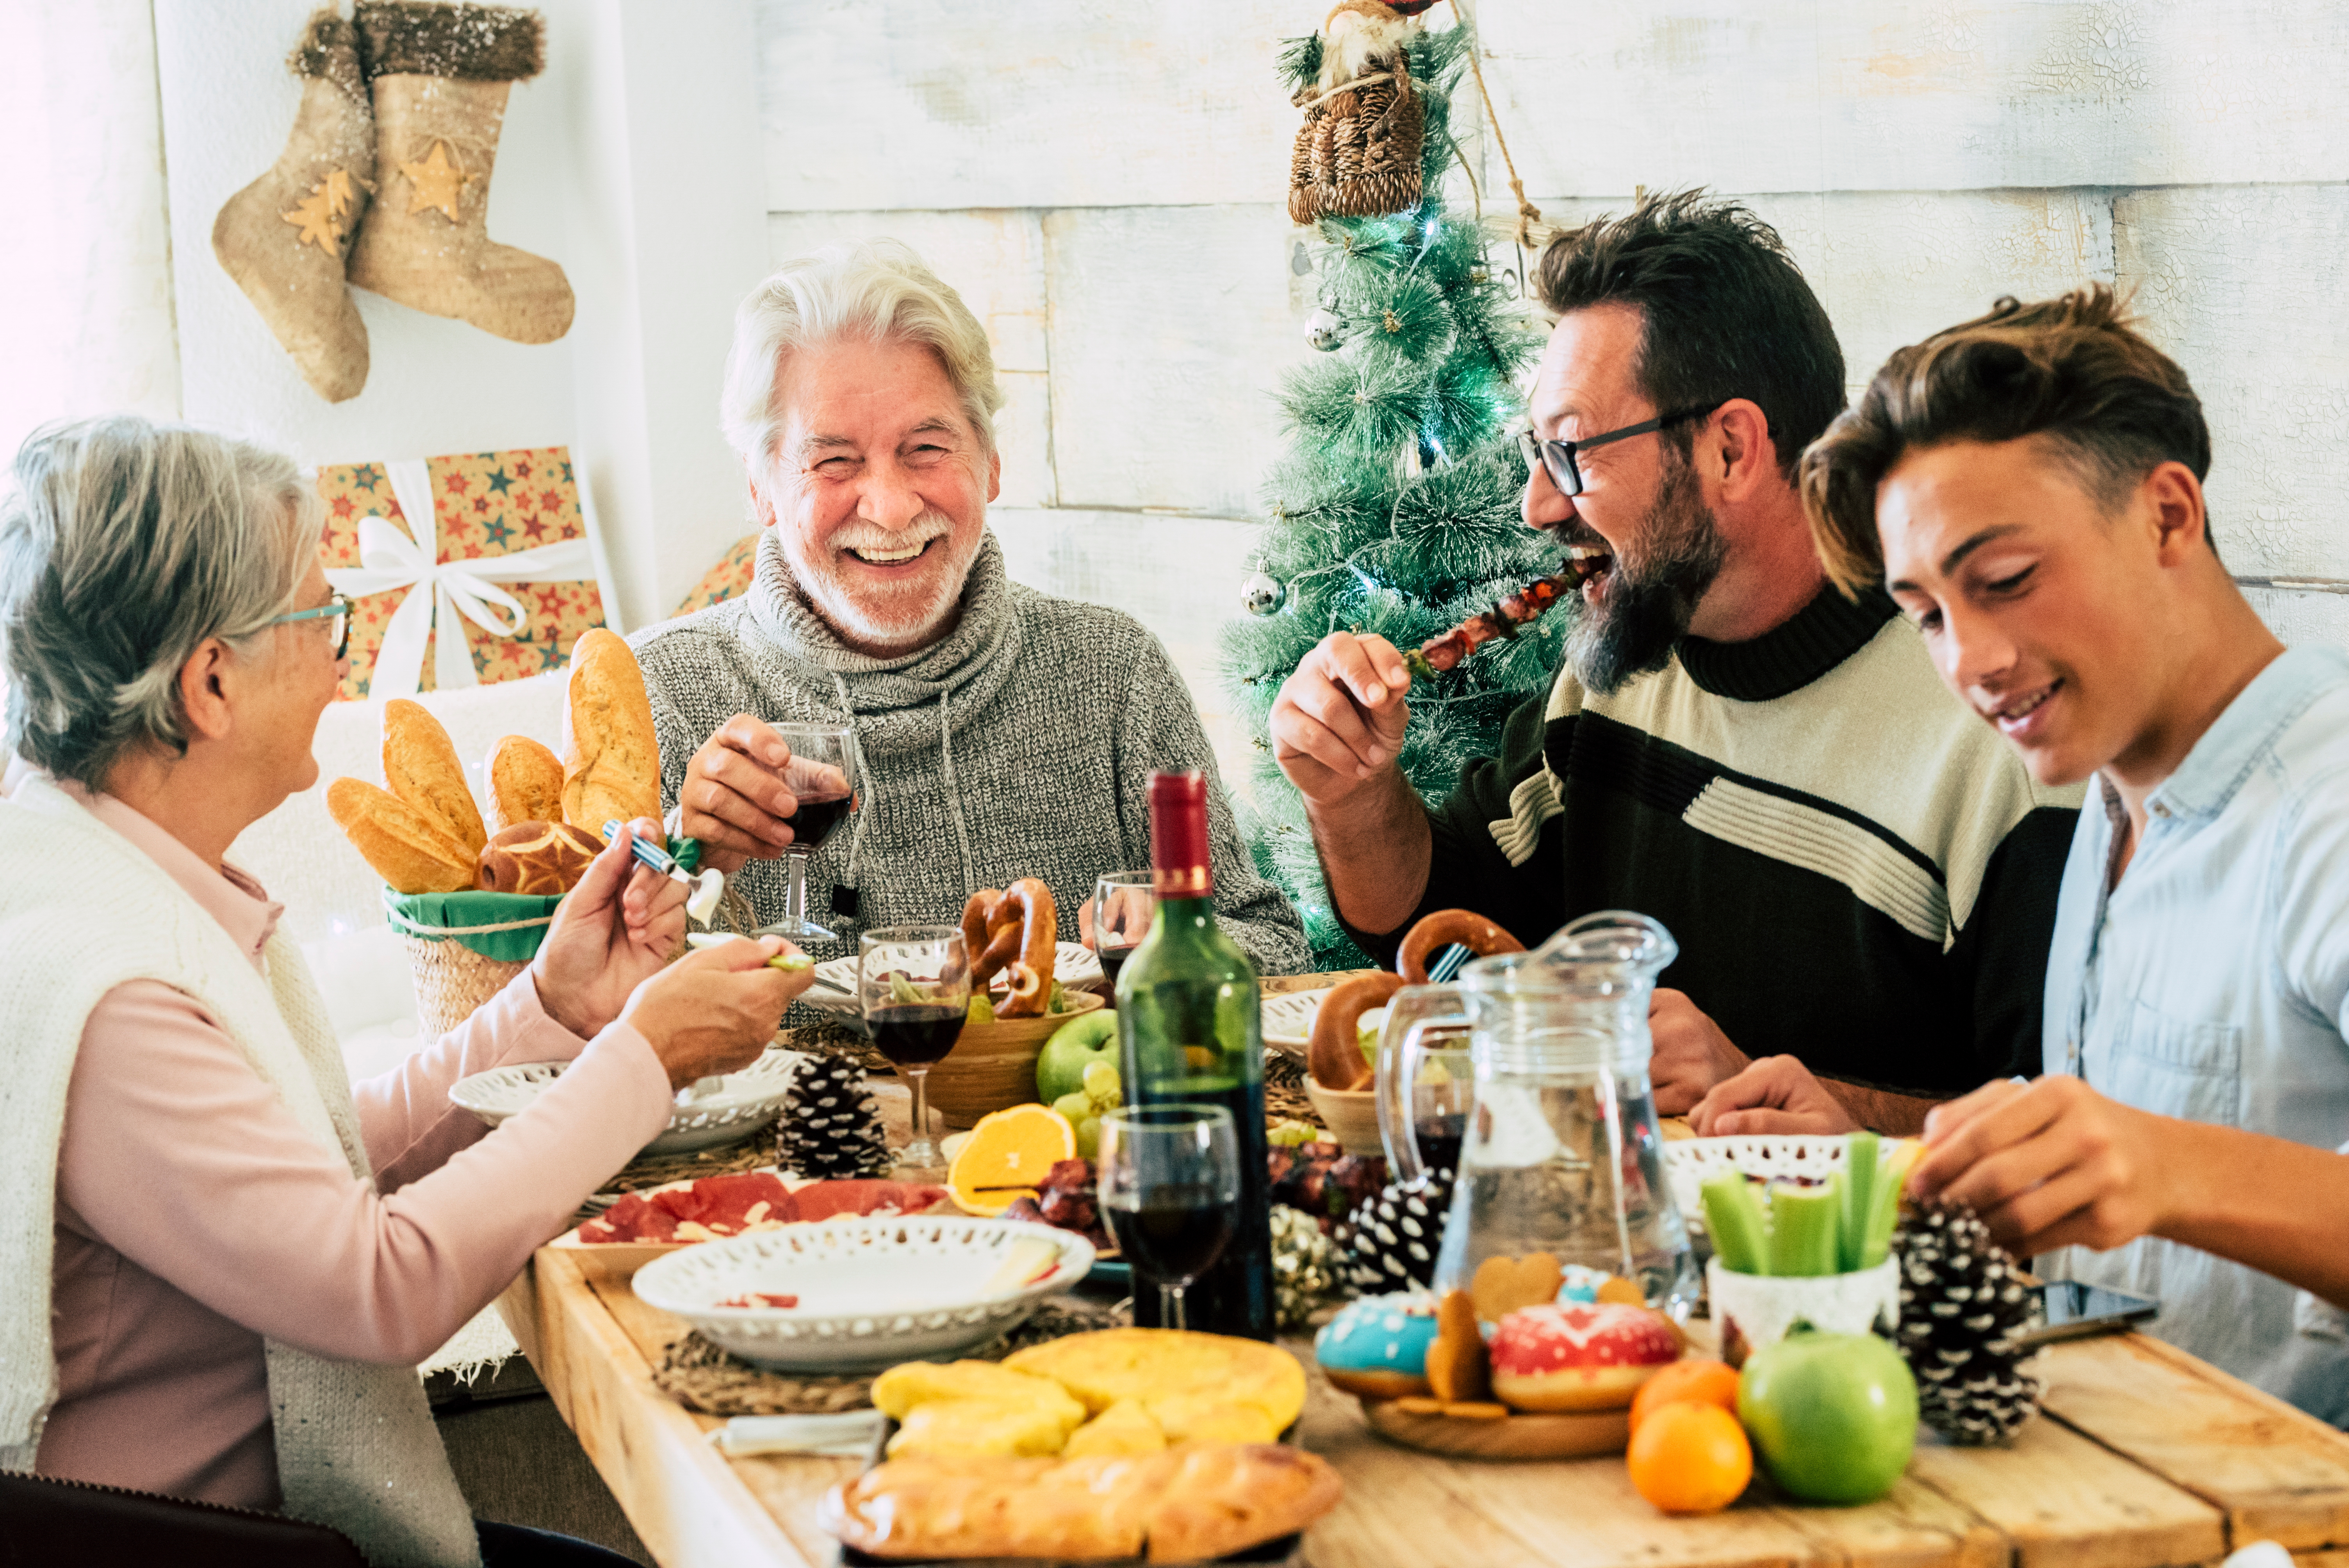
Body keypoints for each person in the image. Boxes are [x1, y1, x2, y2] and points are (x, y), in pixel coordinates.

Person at [0, 417, 812, 1563]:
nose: (345, 657)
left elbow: (312, 1159)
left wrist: (553, 1009)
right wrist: (647, 1055)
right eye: (321, 617)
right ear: (212, 682)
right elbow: (378, 1286)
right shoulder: (111, 989)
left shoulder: (96, 870)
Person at [1271, 192, 2080, 1132]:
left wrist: (1792, 1099)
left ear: (1729, 448)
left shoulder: (1997, 734)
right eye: (1538, 452)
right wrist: (1351, 793)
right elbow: (1431, 922)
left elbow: (2071, 1133)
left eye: (1570, 452)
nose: (1537, 504)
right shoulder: (1619, 670)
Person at [1785, 285, 2349, 1424]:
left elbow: (2149, 1165)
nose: (1973, 661)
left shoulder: (2327, 810)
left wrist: (2169, 1168)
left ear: (2169, 517)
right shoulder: (2114, 787)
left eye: (2005, 583)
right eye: (1929, 615)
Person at [629, 240, 1308, 975]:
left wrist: (1182, 951)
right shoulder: (657, 691)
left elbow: (1276, 952)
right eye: (834, 462)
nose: (889, 509)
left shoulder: (1114, 674)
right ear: (760, 487)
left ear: (989, 459)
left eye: (926, 448)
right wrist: (685, 865)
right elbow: (571, 1022)